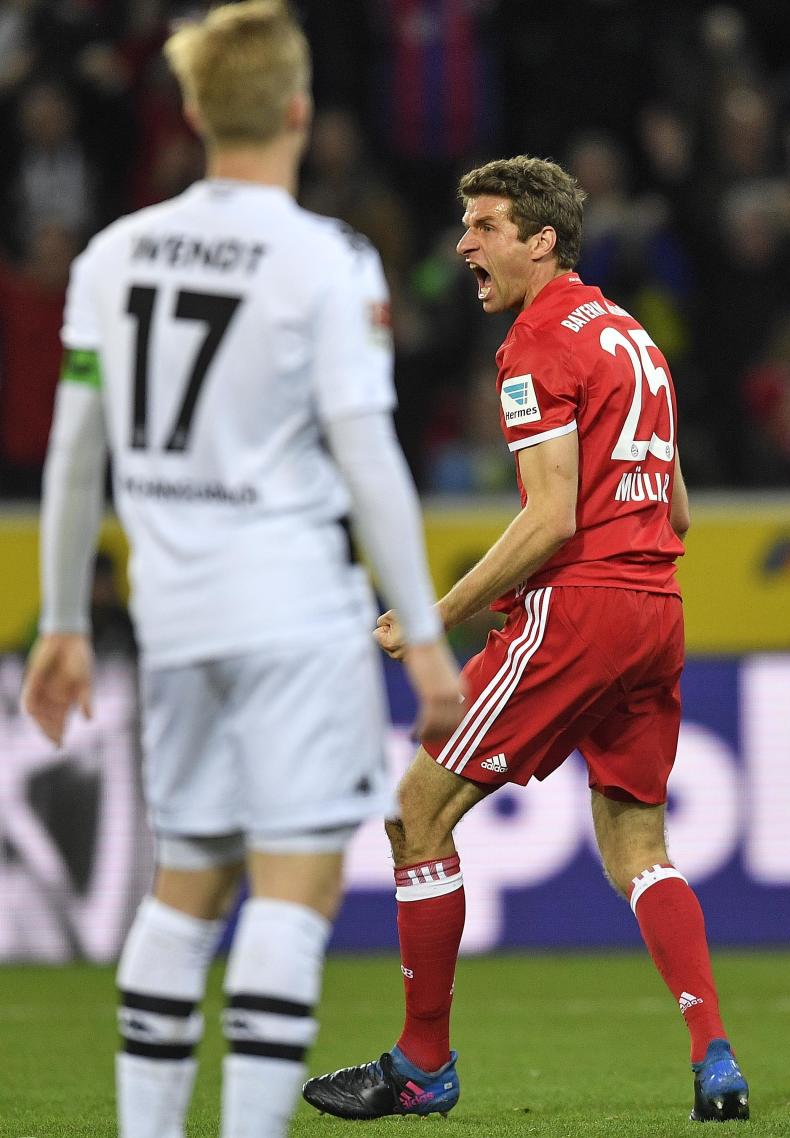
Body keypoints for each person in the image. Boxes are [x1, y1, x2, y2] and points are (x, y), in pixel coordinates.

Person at [20, 4, 463, 1138]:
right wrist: (423, 632)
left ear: (199, 112)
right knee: (294, 888)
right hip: (292, 611)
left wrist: (63, 618)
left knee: (188, 887)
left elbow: (77, 452)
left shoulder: (113, 254)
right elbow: (367, 456)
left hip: (174, 620)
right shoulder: (328, 259)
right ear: (300, 111)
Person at [302, 155, 749, 1123]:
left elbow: (550, 518)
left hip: (578, 608)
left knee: (417, 811)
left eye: (486, 225)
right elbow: (674, 509)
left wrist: (437, 611)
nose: (465, 243)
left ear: (541, 240)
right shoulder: (633, 337)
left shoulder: (536, 342)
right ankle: (714, 1052)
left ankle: (422, 1064)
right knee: (637, 841)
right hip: (655, 611)